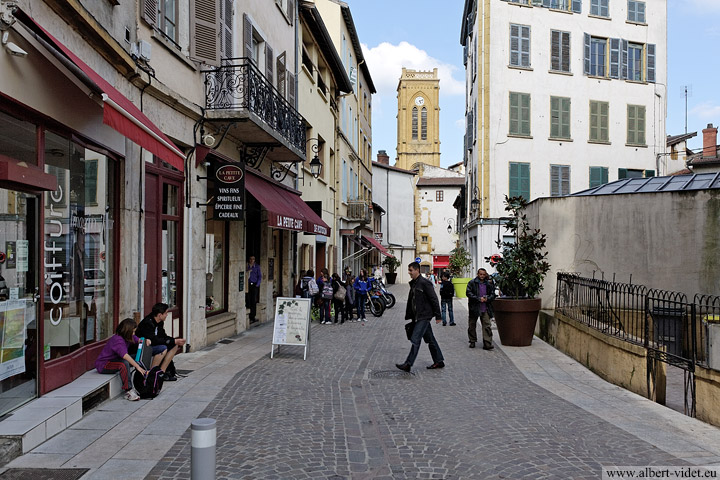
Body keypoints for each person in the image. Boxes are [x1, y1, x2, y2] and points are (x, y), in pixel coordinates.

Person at [396, 262, 445, 372]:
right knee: (430, 339)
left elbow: (434, 299)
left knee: (415, 339)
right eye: (409, 270)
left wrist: (438, 315)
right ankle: (439, 360)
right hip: (418, 316)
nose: (409, 272)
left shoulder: (424, 283)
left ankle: (408, 364)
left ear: (417, 270)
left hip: (424, 316)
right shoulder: (414, 283)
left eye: (411, 270)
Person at [95, 318, 147, 401]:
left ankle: (143, 379)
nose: (133, 334)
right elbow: (125, 356)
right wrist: (137, 366)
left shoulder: (127, 337)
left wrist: (144, 341)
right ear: (127, 332)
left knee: (137, 358)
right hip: (104, 364)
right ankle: (128, 390)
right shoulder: (118, 340)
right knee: (124, 363)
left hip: (115, 360)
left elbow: (136, 339)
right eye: (132, 332)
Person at [136, 303, 187, 380]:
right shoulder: (147, 323)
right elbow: (154, 340)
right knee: (162, 348)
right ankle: (152, 373)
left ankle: (162, 372)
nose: (167, 315)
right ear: (160, 315)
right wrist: (173, 341)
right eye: (166, 313)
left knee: (174, 345)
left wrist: (174, 341)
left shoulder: (160, 322)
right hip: (144, 347)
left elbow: (162, 336)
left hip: (153, 344)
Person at [466, 268, 496, 350]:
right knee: (472, 325)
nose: (482, 276)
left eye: (484, 274)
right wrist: (478, 298)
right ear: (477, 274)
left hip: (485, 307)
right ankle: (472, 340)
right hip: (474, 307)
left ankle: (487, 343)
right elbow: (468, 293)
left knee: (487, 325)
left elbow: (493, 294)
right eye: (480, 274)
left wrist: (487, 298)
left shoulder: (488, 283)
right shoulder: (472, 282)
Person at [246, 256, 262, 323]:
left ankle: (252, 316)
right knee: (248, 299)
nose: (251, 260)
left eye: (253, 259)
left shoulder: (257, 267)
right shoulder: (246, 266)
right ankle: (248, 315)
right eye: (250, 259)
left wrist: (257, 284)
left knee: (253, 300)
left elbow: (260, 276)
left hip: (254, 284)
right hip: (247, 284)